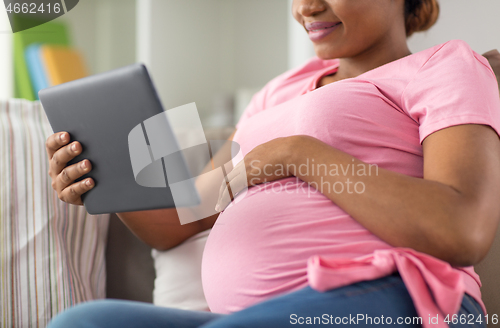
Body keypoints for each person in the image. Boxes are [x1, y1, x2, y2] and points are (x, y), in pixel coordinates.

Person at [46, 0, 500, 327]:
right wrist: (104, 177)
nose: (306, 7)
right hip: (256, 316)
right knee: (82, 322)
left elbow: (463, 229)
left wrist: (297, 154)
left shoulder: (444, 66)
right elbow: (181, 220)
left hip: (409, 297)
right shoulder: (278, 91)